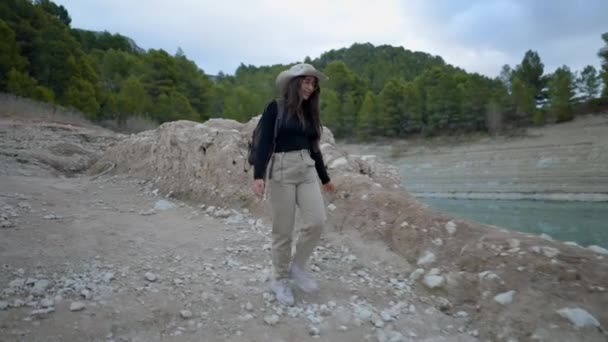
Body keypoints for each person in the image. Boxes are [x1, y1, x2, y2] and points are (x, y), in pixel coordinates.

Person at [251, 63, 336, 306]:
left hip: (306, 168)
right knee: (283, 231)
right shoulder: (274, 108)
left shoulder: (310, 114)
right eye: (306, 81)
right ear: (294, 83)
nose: (310, 87)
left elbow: (315, 149)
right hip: (281, 170)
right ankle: (279, 279)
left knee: (317, 221)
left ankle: (298, 267)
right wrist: (259, 175)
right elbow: (264, 142)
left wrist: (325, 178)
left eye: (313, 83)